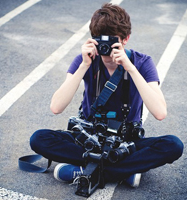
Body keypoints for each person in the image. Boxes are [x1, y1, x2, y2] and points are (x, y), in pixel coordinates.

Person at [30, 3, 183, 187]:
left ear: (126, 39)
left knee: (173, 145)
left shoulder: (142, 62)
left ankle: (87, 171)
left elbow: (160, 113)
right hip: (89, 136)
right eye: (101, 42)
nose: (106, 49)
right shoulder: (85, 60)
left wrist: (130, 68)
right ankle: (122, 172)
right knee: (39, 138)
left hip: (126, 142)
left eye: (111, 43)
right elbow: (56, 107)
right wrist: (84, 65)